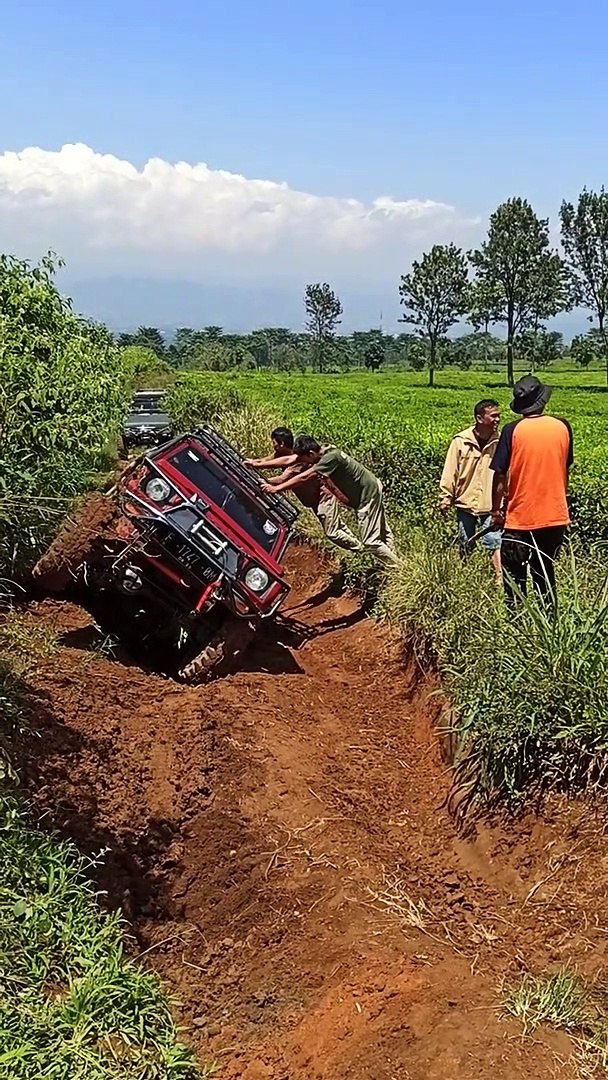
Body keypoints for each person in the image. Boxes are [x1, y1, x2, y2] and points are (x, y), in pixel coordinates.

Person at [490, 375, 573, 607]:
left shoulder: (511, 430)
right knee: (545, 574)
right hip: (554, 518)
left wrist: (496, 511)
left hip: (520, 519)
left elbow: (499, 475)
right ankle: (550, 625)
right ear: (542, 401)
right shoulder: (563, 427)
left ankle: (517, 626)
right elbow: (564, 469)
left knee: (514, 578)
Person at [262, 435, 399, 568]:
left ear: (310, 453)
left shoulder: (329, 459)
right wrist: (255, 464)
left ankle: (398, 568)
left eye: (305, 459)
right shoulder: (326, 449)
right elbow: (289, 460)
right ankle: (395, 559)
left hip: (367, 495)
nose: (305, 463)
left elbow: (303, 477)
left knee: (371, 542)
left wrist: (276, 489)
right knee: (382, 531)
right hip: (370, 487)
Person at [245, 429, 363, 554]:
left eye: (273, 442)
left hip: (323, 498)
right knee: (337, 526)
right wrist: (252, 462)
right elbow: (266, 460)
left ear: (281, 444)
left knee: (332, 532)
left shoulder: (299, 459)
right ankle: (359, 547)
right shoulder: (280, 454)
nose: (272, 445)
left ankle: (360, 550)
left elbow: (283, 478)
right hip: (313, 500)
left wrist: (265, 482)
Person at [439, 399, 502, 581]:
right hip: (465, 501)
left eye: (498, 416)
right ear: (479, 418)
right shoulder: (460, 442)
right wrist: (445, 497)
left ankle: (499, 579)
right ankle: (464, 575)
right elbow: (450, 471)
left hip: (491, 504)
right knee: (465, 541)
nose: (497, 420)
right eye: (493, 416)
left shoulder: (500, 442)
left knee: (494, 542)